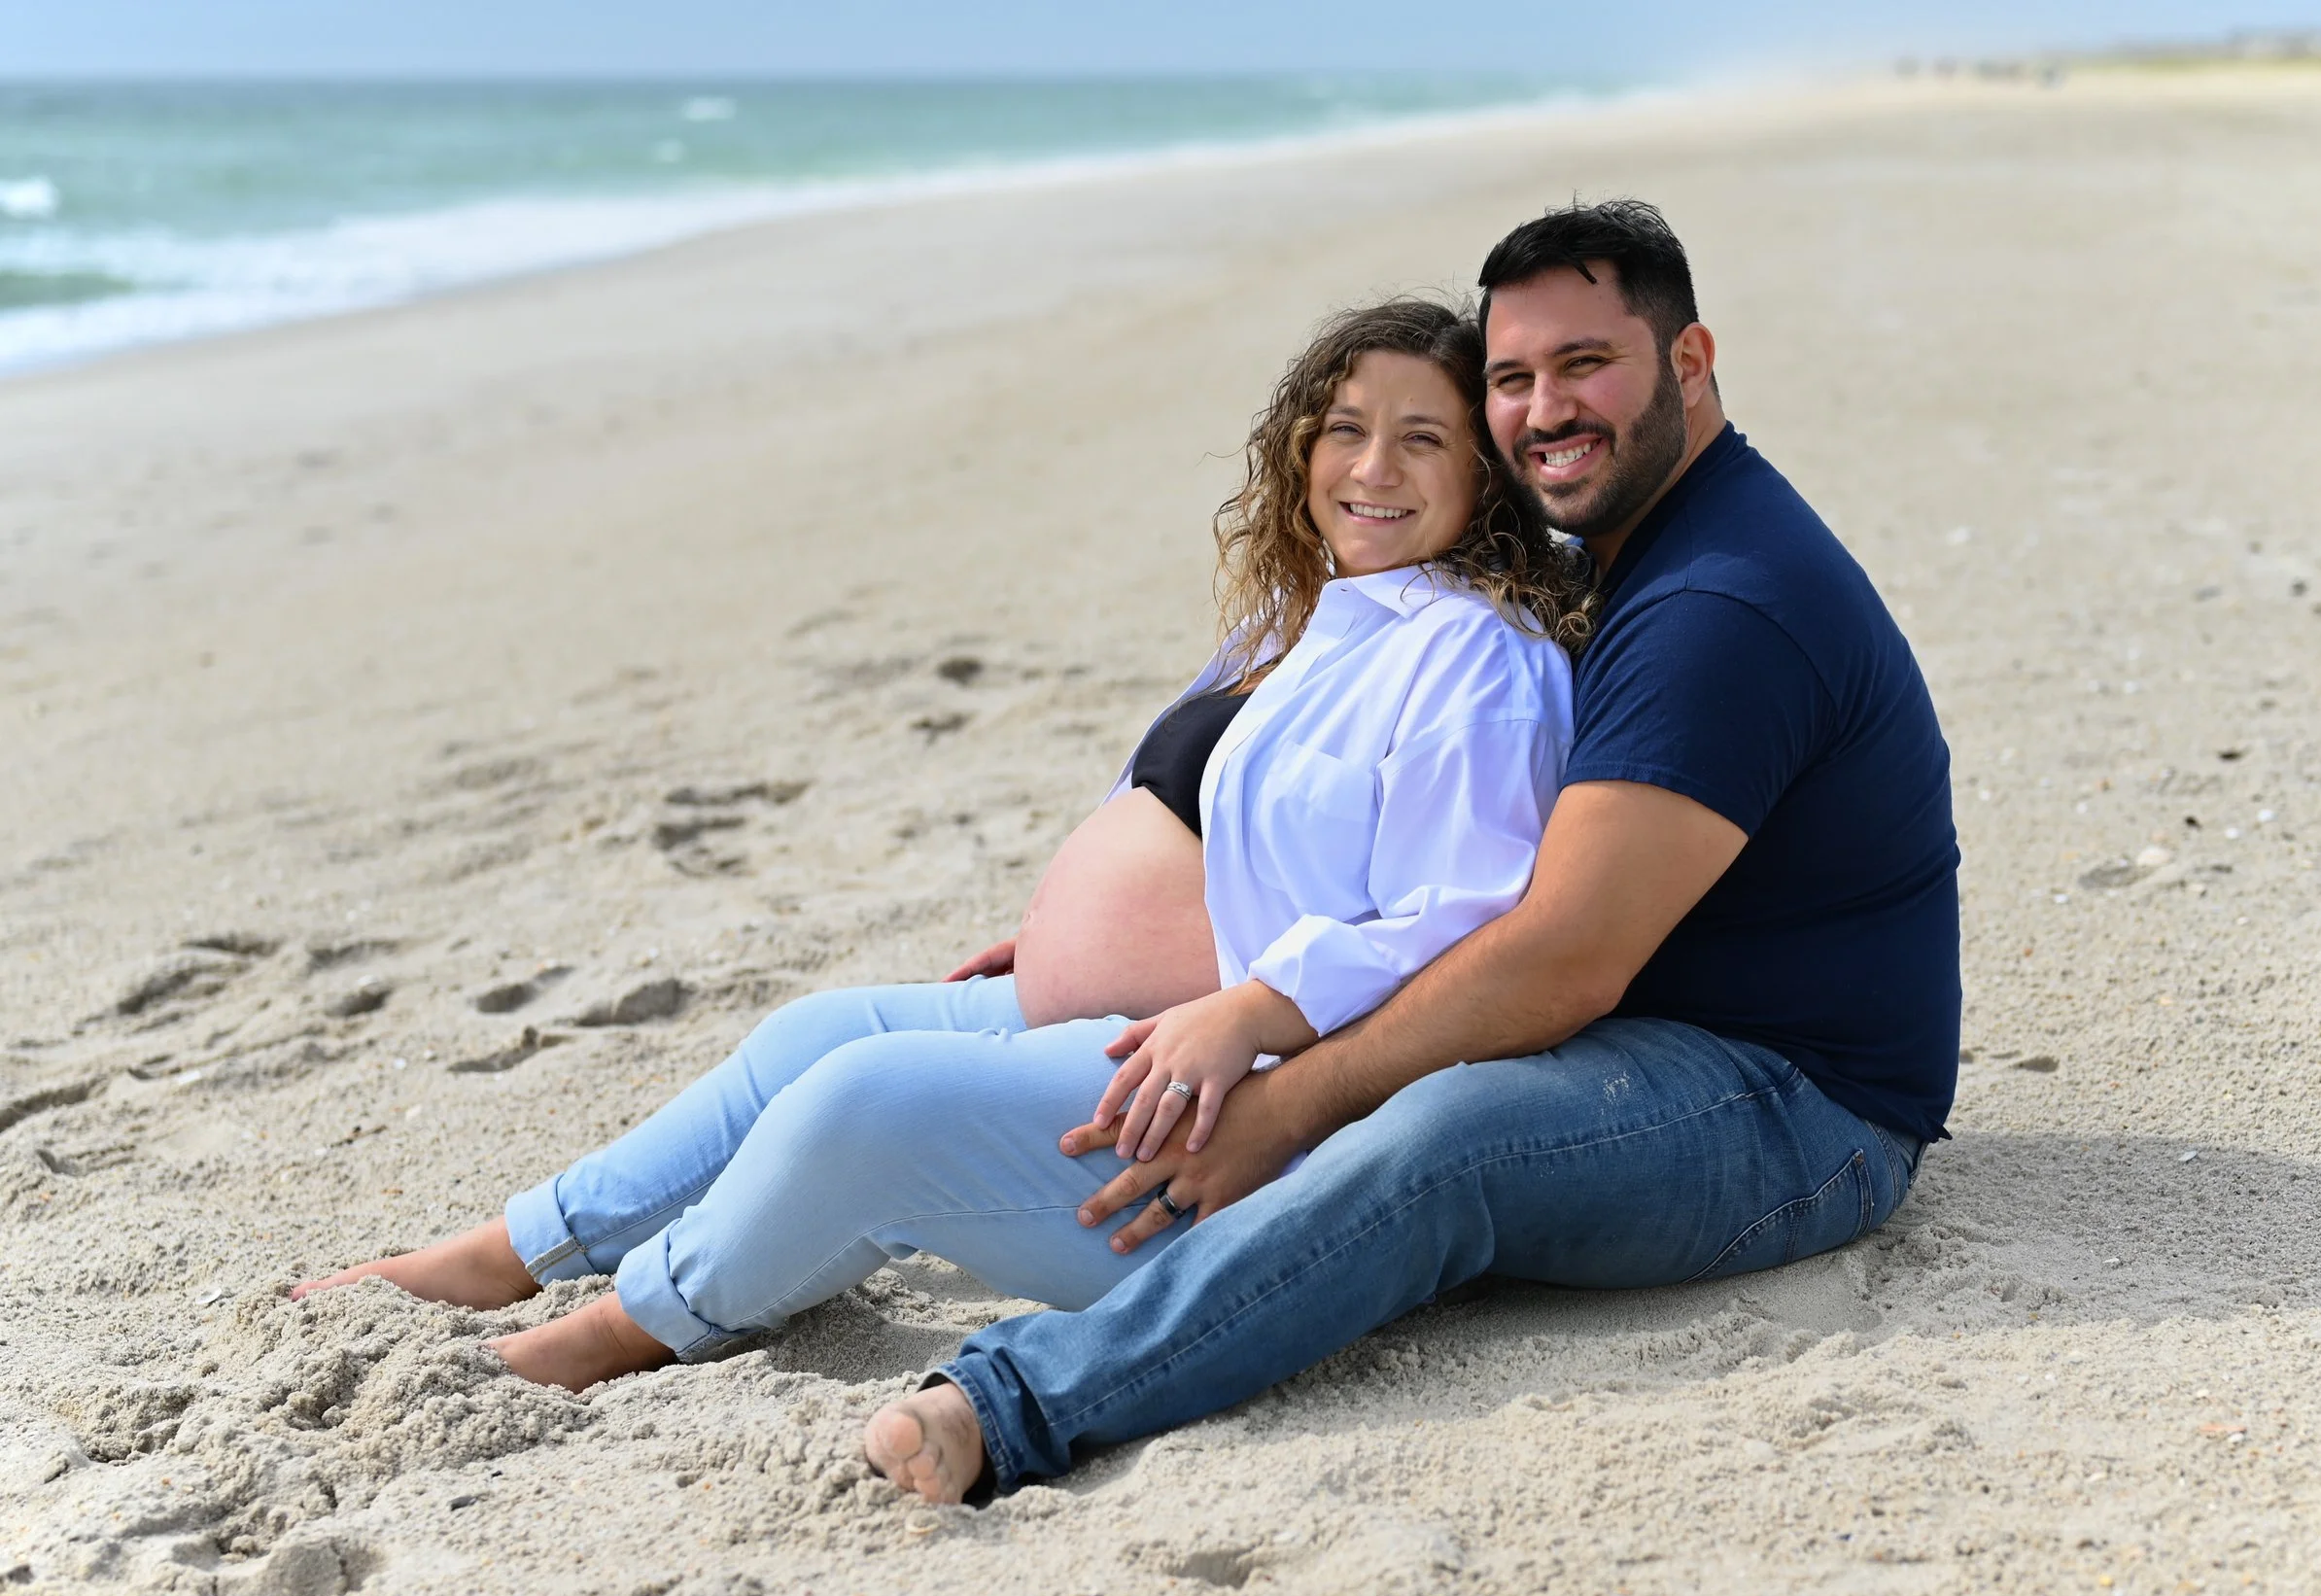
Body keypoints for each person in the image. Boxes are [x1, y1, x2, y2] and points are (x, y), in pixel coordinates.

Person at [860, 198, 1960, 1506]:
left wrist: (1290, 1104)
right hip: (1636, 1024)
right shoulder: (1617, 540)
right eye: (1513, 377)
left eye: (1586, 364)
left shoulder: (1720, 605)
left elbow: (1562, 960)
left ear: (1690, 360)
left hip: (1795, 1103)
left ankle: (1025, 1401)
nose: (1545, 409)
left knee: (1445, 1136)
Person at [292, 299, 1591, 1394]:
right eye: (1346, 429)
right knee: (813, 1036)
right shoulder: (1320, 615)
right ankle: (516, 1248)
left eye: (1423, 438)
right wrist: (1066, 931)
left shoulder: (1479, 656)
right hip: (1134, 1017)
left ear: (1485, 476)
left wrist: (1252, 1006)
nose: (1373, 467)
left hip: (1250, 1099)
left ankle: (627, 1326)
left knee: (869, 1104)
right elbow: (1241, 833)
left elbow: (1465, 920)